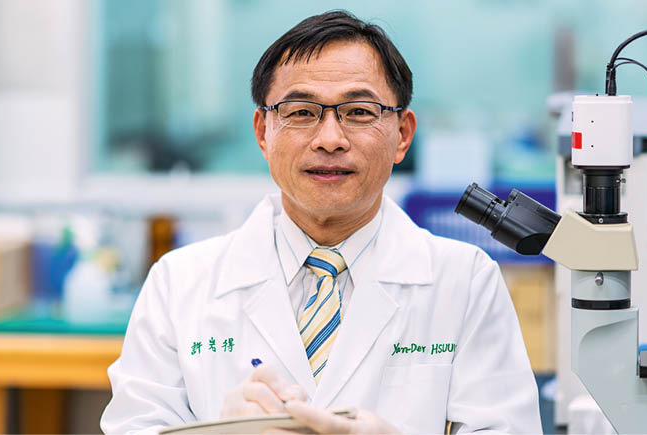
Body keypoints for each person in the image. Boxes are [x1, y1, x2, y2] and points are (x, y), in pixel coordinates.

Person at [101, 10, 541, 434]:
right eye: (301, 112)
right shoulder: (179, 285)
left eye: (360, 112)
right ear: (263, 133)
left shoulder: (465, 282)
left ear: (402, 135)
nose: (330, 139)